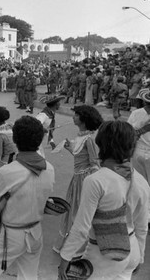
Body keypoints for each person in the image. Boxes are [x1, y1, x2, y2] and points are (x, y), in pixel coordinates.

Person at [58, 121, 150, 280]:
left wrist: (65, 257)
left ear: (102, 144)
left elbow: (81, 227)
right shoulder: (141, 180)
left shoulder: (96, 180)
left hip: (103, 253)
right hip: (132, 246)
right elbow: (142, 225)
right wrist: (140, 256)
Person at [0, 116, 55, 280]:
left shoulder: (7, 171)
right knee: (29, 276)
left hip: (10, 234)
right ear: (40, 139)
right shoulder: (50, 168)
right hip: (35, 232)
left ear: (15, 139)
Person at [53, 105, 103, 253]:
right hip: (77, 178)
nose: (73, 117)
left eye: (76, 115)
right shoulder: (81, 136)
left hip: (84, 180)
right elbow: (80, 158)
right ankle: (70, 244)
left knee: (78, 212)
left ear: (84, 119)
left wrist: (92, 184)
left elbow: (95, 163)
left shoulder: (89, 139)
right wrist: (69, 147)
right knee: (72, 209)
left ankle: (77, 247)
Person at [127, 88, 150, 206]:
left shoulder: (136, 114)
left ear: (144, 101)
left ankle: (139, 209)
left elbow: (127, 132)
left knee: (139, 183)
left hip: (138, 151)